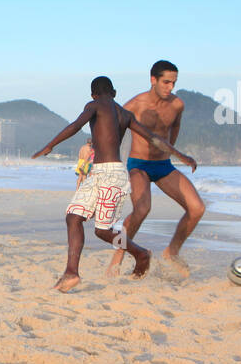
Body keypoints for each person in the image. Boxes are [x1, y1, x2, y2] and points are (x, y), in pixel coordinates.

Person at [33, 76, 196, 292]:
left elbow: (75, 126)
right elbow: (153, 138)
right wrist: (180, 155)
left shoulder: (93, 105)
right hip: (102, 173)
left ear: (93, 95)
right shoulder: (125, 114)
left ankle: (140, 253)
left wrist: (49, 146)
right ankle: (71, 272)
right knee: (73, 217)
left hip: (111, 174)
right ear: (115, 93)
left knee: (102, 231)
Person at [108, 60, 206, 278]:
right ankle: (117, 258)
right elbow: (112, 129)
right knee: (141, 210)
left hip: (163, 166)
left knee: (197, 208)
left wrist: (171, 151)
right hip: (138, 165)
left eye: (173, 83)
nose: (170, 87)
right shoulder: (135, 104)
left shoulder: (177, 105)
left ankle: (172, 252)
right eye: (166, 82)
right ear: (153, 80)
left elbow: (175, 126)